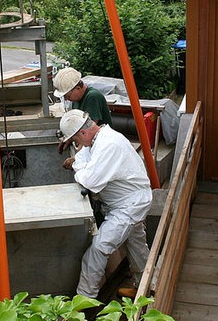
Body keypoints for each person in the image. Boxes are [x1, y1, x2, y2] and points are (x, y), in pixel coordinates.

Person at [59, 109, 152, 300]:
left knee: (100, 247)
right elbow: (85, 154)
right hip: (128, 202)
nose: (77, 145)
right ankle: (145, 288)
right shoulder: (98, 140)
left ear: (84, 133)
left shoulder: (108, 144)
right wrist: (80, 159)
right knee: (136, 246)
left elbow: (89, 180)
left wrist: (76, 164)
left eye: (76, 140)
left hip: (130, 205)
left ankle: (83, 302)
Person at [53, 67, 112, 154]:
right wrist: (68, 138)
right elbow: (77, 128)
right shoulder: (76, 100)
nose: (66, 99)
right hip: (91, 145)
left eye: (67, 96)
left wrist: (76, 157)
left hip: (103, 146)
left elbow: (88, 131)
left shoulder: (93, 97)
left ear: (78, 88)